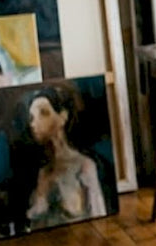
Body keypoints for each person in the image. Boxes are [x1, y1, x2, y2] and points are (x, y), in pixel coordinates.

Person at [25, 84, 107, 229]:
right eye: (32, 117)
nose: (34, 123)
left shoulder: (85, 166)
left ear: (63, 117)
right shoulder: (43, 172)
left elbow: (99, 216)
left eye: (43, 113)